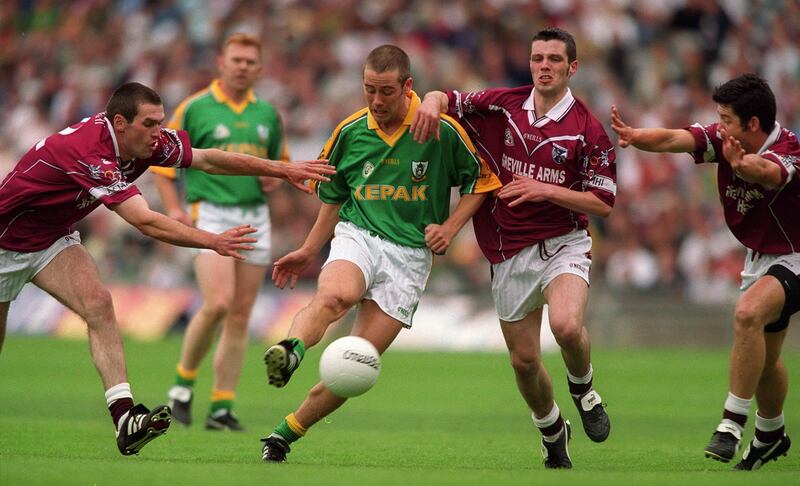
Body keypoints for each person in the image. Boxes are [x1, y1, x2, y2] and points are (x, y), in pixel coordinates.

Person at [0, 82, 334, 456]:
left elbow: (208, 158)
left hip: (48, 238)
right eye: (150, 123)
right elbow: (145, 222)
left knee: (99, 304)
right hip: (3, 242)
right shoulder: (88, 152)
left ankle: (125, 419)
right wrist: (212, 241)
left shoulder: (145, 141)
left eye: (161, 122)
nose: (159, 132)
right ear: (121, 123)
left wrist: (281, 168)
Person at [259, 44, 501, 463]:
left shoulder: (441, 131)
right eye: (369, 89)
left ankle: (284, 434)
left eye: (386, 91)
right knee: (335, 296)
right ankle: (291, 350)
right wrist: (308, 249)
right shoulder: (351, 132)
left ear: (408, 87)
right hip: (360, 234)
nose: (376, 100)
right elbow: (333, 197)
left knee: (355, 365)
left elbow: (481, 182)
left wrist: (449, 228)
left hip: (409, 257)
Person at [410, 27, 615, 469]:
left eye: (555, 59)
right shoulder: (503, 103)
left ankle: (583, 387)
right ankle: (552, 429)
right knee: (524, 362)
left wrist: (546, 190)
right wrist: (429, 99)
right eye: (538, 58)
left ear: (572, 68)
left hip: (564, 243)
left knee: (564, 325)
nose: (545, 66)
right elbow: (448, 98)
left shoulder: (588, 130)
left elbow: (602, 203)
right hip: (507, 250)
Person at [611, 73, 796, 470]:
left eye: (726, 119)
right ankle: (771, 434)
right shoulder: (727, 138)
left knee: (747, 313)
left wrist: (740, 164)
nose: (719, 125)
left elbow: (767, 174)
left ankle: (731, 423)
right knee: (763, 360)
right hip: (762, 256)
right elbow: (675, 139)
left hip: (796, 255)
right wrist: (634, 135)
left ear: (752, 124)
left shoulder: (788, 149)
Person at [151, 33, 289, 432]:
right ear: (221, 62)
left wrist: (274, 182)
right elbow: (162, 163)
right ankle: (182, 386)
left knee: (241, 313)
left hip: (255, 217)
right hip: (210, 212)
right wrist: (175, 207)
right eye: (237, 59)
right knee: (217, 303)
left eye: (250, 61)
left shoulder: (268, 114)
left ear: (259, 68)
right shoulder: (195, 108)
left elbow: (279, 164)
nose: (243, 66)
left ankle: (221, 407)